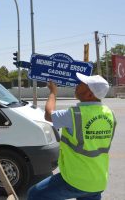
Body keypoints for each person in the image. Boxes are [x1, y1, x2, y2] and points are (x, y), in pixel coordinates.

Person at [27, 72, 117, 200]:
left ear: (90, 94)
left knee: (35, 194)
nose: (77, 85)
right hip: (98, 181)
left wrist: (53, 91)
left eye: (81, 84)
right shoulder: (110, 114)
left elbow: (48, 114)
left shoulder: (75, 114)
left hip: (76, 180)